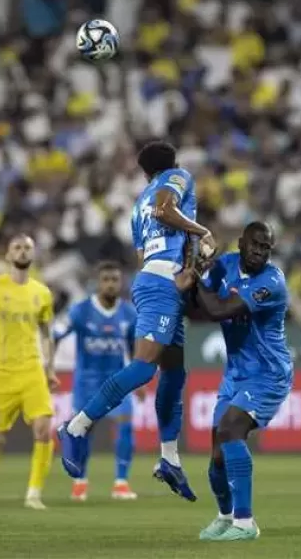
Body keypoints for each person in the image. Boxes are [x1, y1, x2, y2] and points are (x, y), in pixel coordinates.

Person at [58, 140, 215, 502]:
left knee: (175, 373)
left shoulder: (135, 207)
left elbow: (144, 252)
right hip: (161, 285)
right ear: (172, 164)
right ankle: (76, 426)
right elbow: (165, 211)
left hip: (159, 281)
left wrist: (187, 271)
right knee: (145, 368)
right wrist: (202, 232)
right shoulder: (177, 178)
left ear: (145, 172)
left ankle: (169, 458)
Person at [186, 222, 293, 541]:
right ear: (241, 243)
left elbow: (218, 310)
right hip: (236, 372)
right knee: (217, 452)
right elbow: (197, 307)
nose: (260, 252)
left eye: (266, 248)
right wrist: (193, 274)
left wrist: (194, 275)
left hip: (268, 372)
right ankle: (225, 516)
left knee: (232, 428)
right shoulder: (226, 265)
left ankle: (246, 523)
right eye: (256, 245)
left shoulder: (271, 282)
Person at [0, 234, 58, 510]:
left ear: (33, 254)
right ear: (8, 255)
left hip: (31, 371)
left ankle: (34, 493)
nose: (22, 251)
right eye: (17, 247)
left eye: (27, 247)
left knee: (43, 429)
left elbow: (46, 333)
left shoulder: (42, 292)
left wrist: (49, 368)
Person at [53, 260, 139, 501]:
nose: (111, 284)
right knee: (84, 431)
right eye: (106, 280)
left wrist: (137, 378)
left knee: (125, 424)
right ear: (97, 283)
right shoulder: (80, 311)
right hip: (87, 382)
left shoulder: (129, 313)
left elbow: (134, 347)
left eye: (115, 280)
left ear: (121, 283)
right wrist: (49, 365)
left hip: (117, 382)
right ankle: (80, 481)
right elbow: (56, 333)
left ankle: (121, 483)